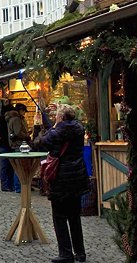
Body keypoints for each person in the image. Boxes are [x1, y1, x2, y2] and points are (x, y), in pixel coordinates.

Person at [34, 104, 89, 263]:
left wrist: (44, 129)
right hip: (77, 176)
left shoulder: (57, 132)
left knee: (59, 217)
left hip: (61, 178)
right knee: (74, 216)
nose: (55, 118)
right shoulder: (79, 129)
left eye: (57, 116)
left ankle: (65, 253)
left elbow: (40, 143)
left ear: (62, 118)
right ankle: (80, 252)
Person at [6, 103, 31, 193]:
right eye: (24, 111)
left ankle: (19, 186)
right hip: (19, 144)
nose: (24, 113)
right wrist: (27, 136)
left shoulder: (12, 118)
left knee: (18, 166)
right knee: (19, 166)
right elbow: (17, 133)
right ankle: (19, 187)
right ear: (20, 110)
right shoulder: (16, 119)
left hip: (17, 144)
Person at [0, 102, 15, 192]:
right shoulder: (6, 120)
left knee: (6, 166)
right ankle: (7, 185)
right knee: (7, 166)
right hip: (6, 145)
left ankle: (7, 185)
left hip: (4, 145)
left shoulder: (1, 120)